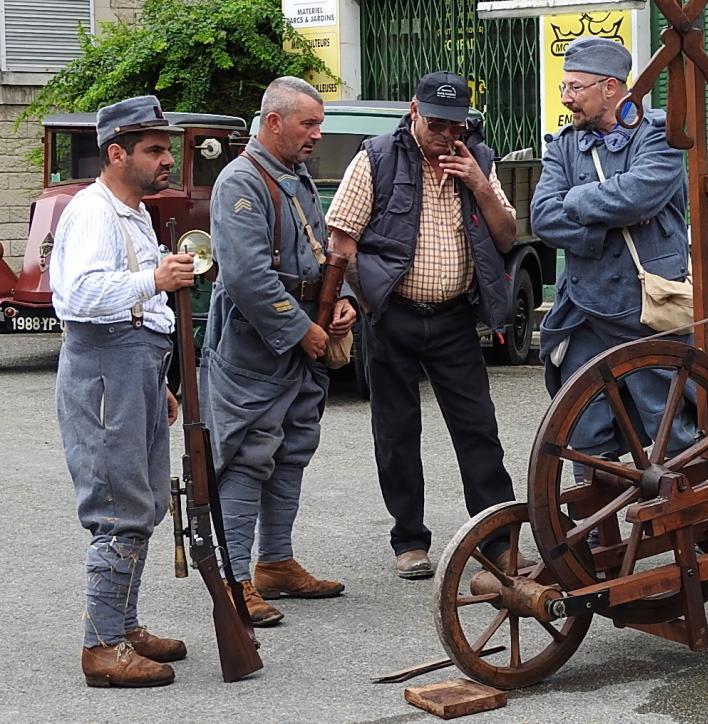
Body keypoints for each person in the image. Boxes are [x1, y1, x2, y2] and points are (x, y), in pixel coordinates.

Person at [326, 71, 517, 579]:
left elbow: (505, 237)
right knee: (396, 432)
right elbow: (341, 243)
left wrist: (478, 182)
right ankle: (409, 539)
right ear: (414, 110)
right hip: (392, 315)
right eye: (436, 124)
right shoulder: (377, 158)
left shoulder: (477, 157)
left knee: (478, 430)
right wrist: (364, 303)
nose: (446, 136)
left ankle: (497, 540)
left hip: (454, 317)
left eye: (455, 127)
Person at [202, 77, 356, 625]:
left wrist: (342, 305)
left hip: (297, 337)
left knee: (291, 448)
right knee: (247, 455)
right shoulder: (240, 181)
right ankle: (235, 578)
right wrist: (302, 331)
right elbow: (245, 277)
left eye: (318, 123)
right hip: (255, 343)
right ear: (273, 122)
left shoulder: (295, 176)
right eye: (308, 124)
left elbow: (319, 257)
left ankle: (276, 563)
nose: (318, 133)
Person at [51, 95, 192, 687]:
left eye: (165, 148)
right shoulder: (93, 211)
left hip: (131, 364)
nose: (167, 159)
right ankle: (102, 646)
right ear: (117, 153)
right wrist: (153, 278)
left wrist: (156, 377)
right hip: (105, 363)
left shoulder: (131, 211)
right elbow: (78, 297)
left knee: (144, 501)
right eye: (155, 150)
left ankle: (122, 624)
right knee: (118, 506)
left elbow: (132, 302)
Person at [531, 37, 698, 474]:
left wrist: (575, 200)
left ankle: (697, 524)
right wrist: (599, 227)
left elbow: (639, 196)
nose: (566, 98)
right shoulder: (564, 144)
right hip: (582, 309)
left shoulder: (660, 135)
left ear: (610, 88)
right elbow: (543, 217)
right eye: (564, 87)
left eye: (575, 87)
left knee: (667, 423)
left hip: (646, 306)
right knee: (582, 429)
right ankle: (595, 532)